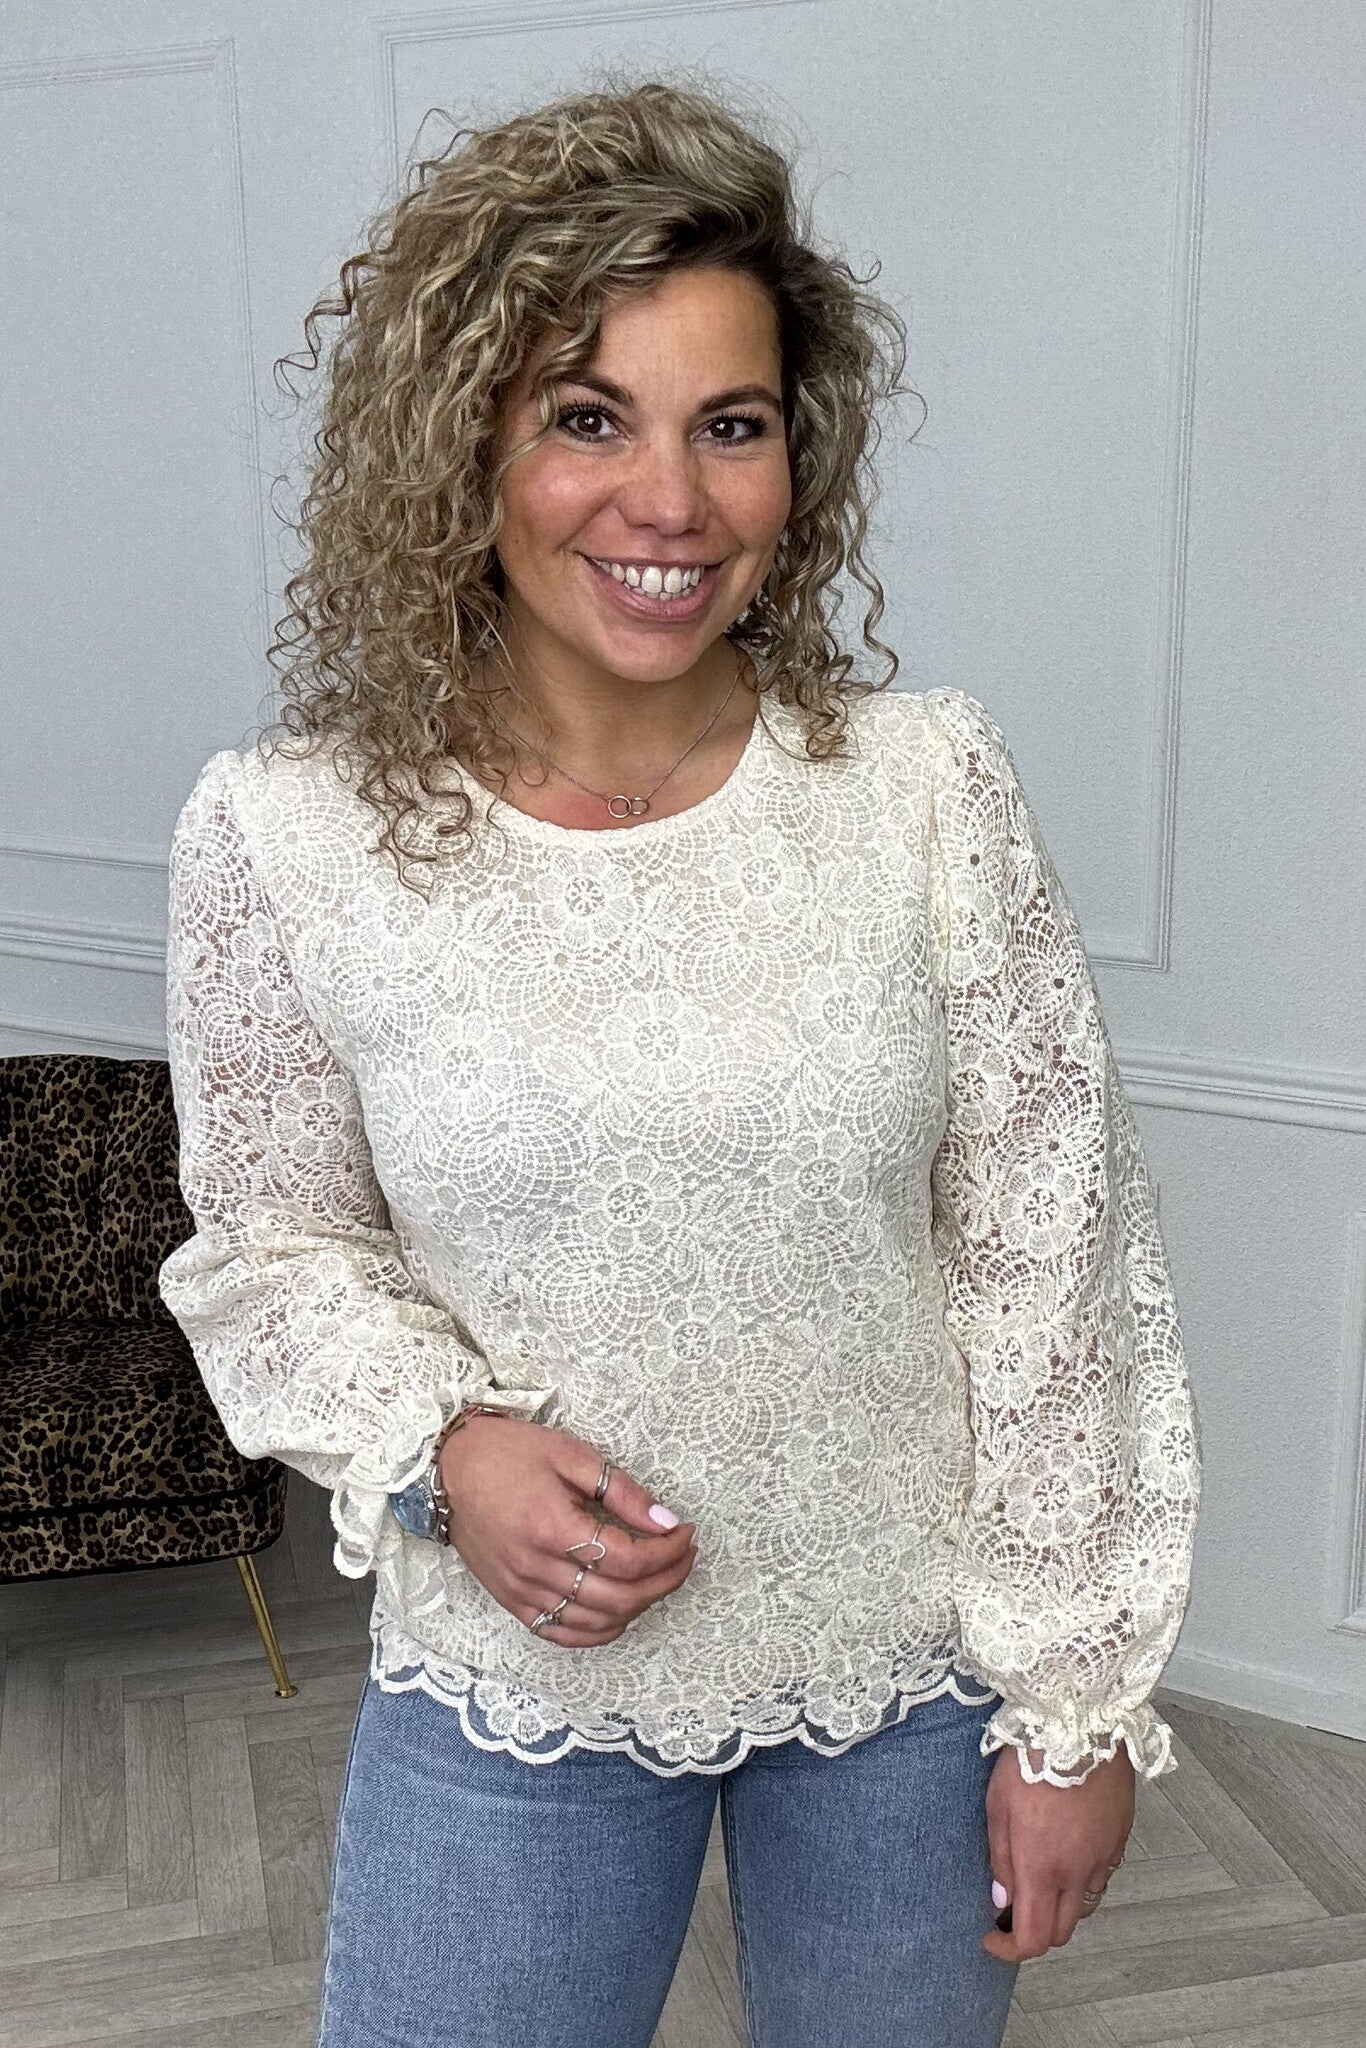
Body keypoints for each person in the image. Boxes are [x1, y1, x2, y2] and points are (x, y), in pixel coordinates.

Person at [158, 75, 1202, 2048]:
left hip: (904, 1675)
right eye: (586, 417)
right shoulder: (289, 833)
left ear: (797, 456)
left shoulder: (920, 790)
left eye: (730, 424)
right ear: (454, 445)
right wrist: (444, 1450)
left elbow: (1050, 1264)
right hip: (518, 1675)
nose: (670, 501)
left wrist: (1071, 1709)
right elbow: (270, 1246)